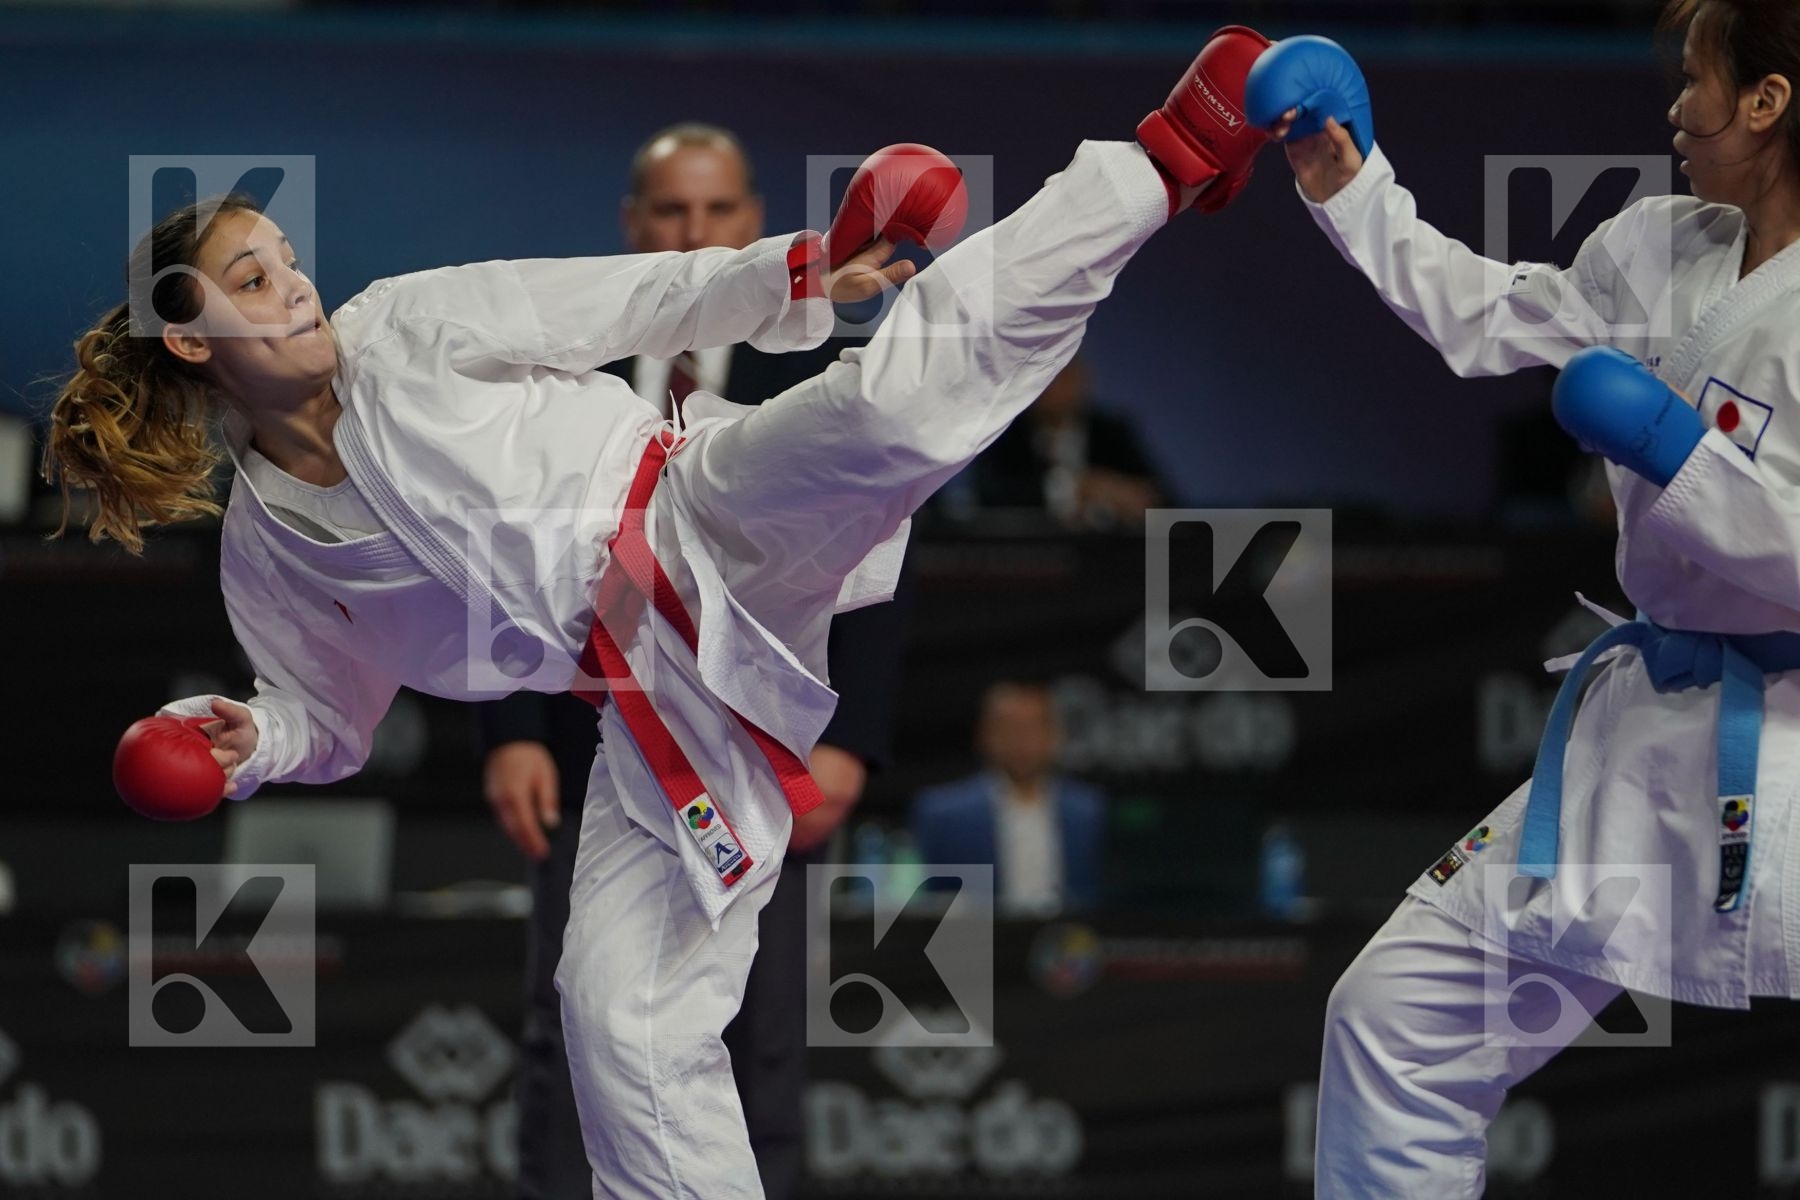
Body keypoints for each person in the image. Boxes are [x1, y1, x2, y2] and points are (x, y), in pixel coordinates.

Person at [47, 26, 1274, 1197]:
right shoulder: (267, 550)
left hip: (695, 509)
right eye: (253, 281)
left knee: (896, 409)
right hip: (651, 703)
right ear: (194, 342)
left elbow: (626, 304)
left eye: (289, 261)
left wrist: (802, 267)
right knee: (617, 1018)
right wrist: (249, 744)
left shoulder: (407, 324)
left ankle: (1164, 158)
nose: (297, 289)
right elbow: (329, 717)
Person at [1250, 5, 1800, 1194]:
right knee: (1399, 1019)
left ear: (1768, 102)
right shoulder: (1662, 242)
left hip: (1797, 729)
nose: (1673, 109)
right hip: (1656, 723)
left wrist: (1675, 452)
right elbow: (1487, 313)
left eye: (1696, 80)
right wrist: (1350, 182)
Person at [474, 121, 905, 1200]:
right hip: (584, 756)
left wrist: (849, 746)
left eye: (716, 213)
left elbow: (879, 556)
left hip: (763, 756)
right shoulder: (561, 373)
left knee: (758, 1028)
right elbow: (499, 549)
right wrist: (510, 733)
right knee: (573, 1014)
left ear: (751, 223)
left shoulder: (811, 364)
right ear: (632, 225)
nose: (692, 231)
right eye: (670, 211)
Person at [910, 681, 1106, 916]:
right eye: (1011, 728)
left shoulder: (1089, 812)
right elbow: (931, 904)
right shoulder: (942, 814)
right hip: (978, 946)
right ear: (985, 734)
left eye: (1033, 727)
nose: (1023, 740)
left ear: (1055, 734)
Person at [962, 354, 1168, 529]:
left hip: (1107, 554)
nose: (1057, 387)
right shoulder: (1004, 434)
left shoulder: (1111, 431)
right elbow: (988, 499)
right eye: (1049, 377)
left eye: (1066, 375)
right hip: (1030, 557)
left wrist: (1127, 494)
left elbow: (1162, 498)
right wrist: (1070, 490)